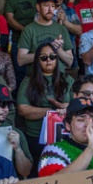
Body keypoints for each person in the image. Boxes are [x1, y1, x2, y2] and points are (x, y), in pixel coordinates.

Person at [17, 42, 74, 175]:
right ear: (38, 61)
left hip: (64, 138)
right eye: (43, 57)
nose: (48, 60)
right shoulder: (28, 81)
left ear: (57, 59)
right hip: (35, 138)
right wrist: (51, 112)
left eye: (52, 57)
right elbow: (22, 109)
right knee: (37, 177)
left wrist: (65, 107)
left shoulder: (68, 80)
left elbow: (77, 105)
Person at [0, 84, 33, 178]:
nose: (6, 110)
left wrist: (18, 149)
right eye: (1, 104)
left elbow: (25, 172)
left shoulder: (16, 133)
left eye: (8, 105)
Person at [17, 0, 74, 71]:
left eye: (53, 6)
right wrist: (47, 51)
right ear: (38, 7)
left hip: (58, 79)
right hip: (37, 79)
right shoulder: (29, 29)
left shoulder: (62, 29)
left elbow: (70, 61)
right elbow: (21, 60)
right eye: (46, 5)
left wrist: (58, 49)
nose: (50, 9)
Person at [4, 0, 40, 84]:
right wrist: (25, 30)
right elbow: (9, 19)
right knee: (19, 73)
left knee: (38, 71)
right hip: (17, 40)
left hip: (37, 40)